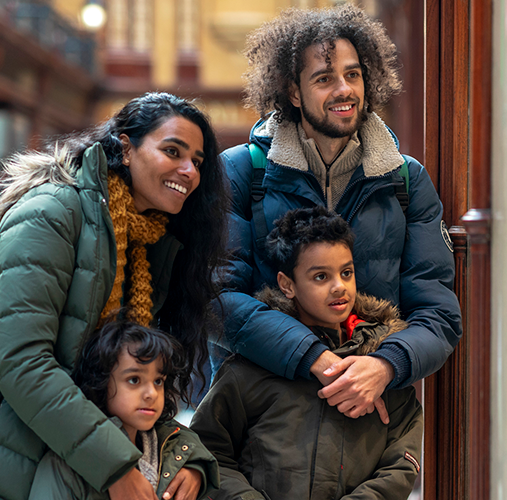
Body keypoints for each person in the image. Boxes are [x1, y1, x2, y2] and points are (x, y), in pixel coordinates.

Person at [0, 92, 230, 500]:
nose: (188, 170)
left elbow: (131, 378)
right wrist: (114, 466)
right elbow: (21, 360)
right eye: (173, 151)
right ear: (125, 147)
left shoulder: (152, 239)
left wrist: (186, 457)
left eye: (198, 162)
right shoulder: (53, 210)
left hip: (68, 458)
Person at [215, 4, 461, 424]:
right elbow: (216, 300)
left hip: (365, 422)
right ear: (293, 92)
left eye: (353, 74)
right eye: (324, 78)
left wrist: (385, 365)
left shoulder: (406, 180)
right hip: (262, 421)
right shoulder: (241, 171)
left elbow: (437, 313)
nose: (344, 90)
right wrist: (313, 357)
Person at [193, 207, 423, 499]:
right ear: (287, 284)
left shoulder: (381, 361)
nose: (339, 286)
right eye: (320, 277)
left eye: (346, 272)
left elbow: (402, 460)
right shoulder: (252, 366)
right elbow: (209, 450)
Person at [30, 320, 219, 500]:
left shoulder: (170, 452)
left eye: (158, 381)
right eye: (134, 380)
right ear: (100, 382)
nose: (151, 393)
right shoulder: (65, 467)